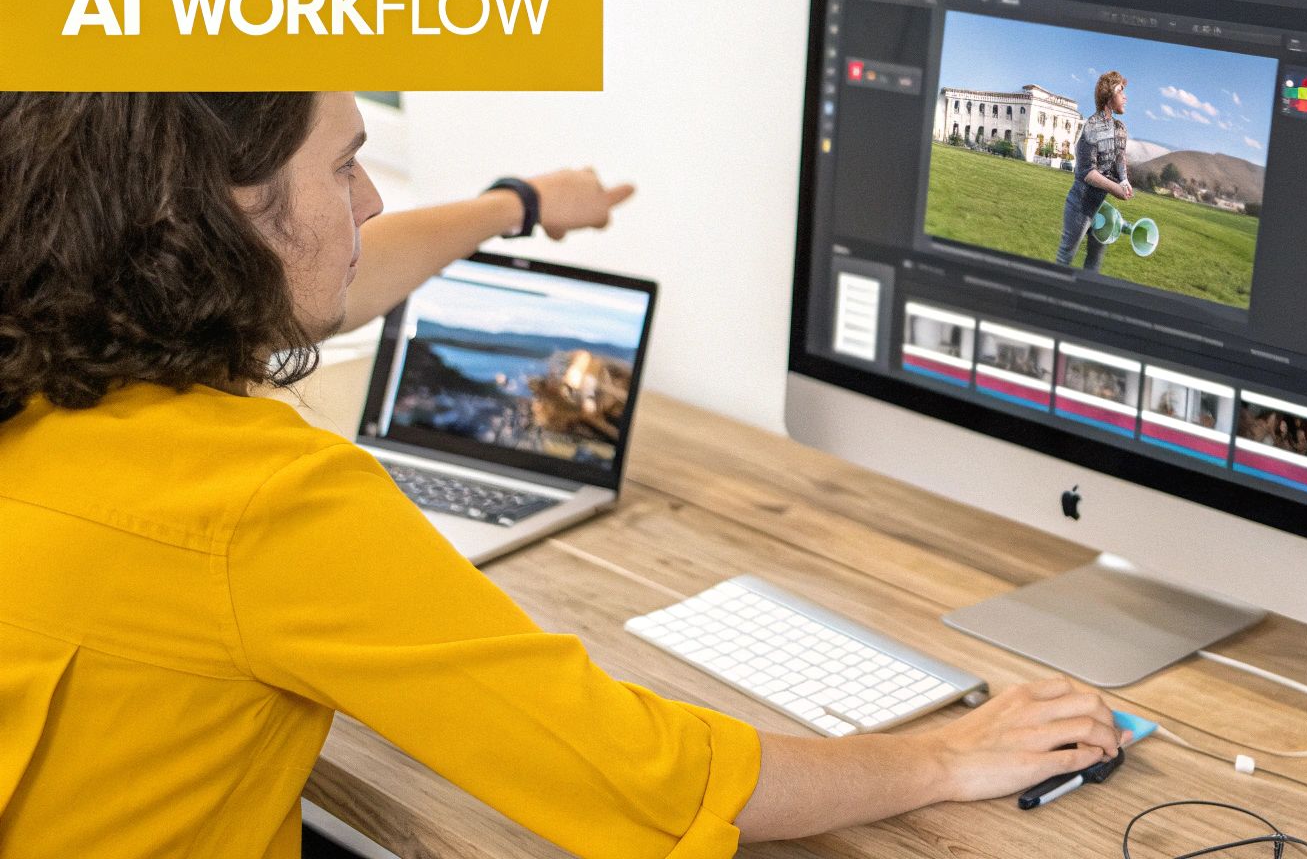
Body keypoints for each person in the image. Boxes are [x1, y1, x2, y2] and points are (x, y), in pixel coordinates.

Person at [0, 92, 1129, 859]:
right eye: (343, 167)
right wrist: (942, 754)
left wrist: (517, 207)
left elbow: (326, 270)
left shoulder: (46, 354)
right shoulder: (260, 503)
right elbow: (639, 779)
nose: (371, 201)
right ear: (216, 224)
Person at [1054, 71, 1133, 271]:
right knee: (1065, 258)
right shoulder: (1092, 126)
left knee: (1094, 263)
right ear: (1108, 95)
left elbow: (1119, 159)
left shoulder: (1120, 128)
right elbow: (1087, 173)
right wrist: (1115, 189)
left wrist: (1124, 180)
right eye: (1120, 91)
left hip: (1100, 208)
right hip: (1079, 207)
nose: (1125, 97)